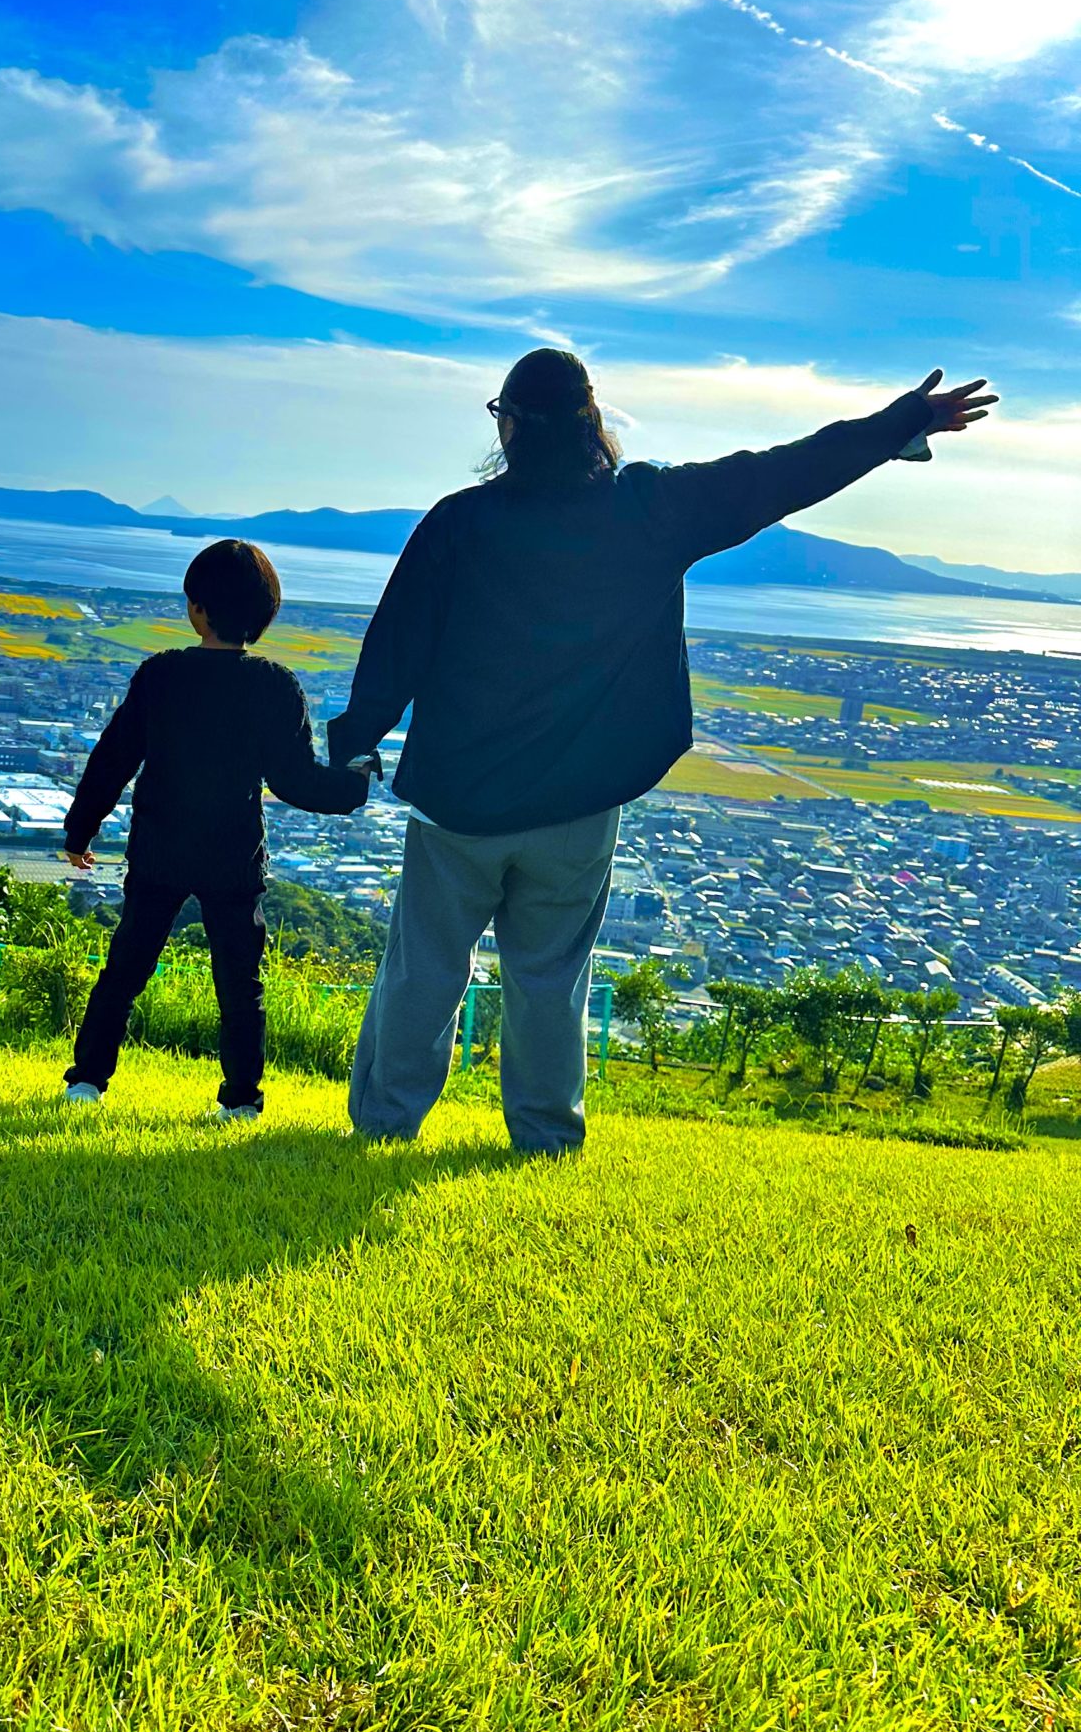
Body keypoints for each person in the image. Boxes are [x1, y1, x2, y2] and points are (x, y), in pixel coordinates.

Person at [326, 349, 998, 1156]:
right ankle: (544, 1139)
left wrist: (353, 748)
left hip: (459, 804)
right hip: (579, 806)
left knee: (426, 969)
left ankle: (386, 1124)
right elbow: (780, 473)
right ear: (592, 426)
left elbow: (394, 647)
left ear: (507, 428)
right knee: (548, 979)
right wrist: (903, 424)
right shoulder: (648, 509)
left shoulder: (459, 523)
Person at [61, 538, 370, 1119]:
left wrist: (81, 831)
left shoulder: (161, 676)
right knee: (238, 983)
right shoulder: (275, 684)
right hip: (233, 855)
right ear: (264, 615)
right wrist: (355, 783)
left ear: (195, 608)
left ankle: (87, 1082)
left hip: (159, 848)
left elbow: (113, 759)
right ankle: (240, 1101)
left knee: (125, 968)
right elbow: (294, 781)